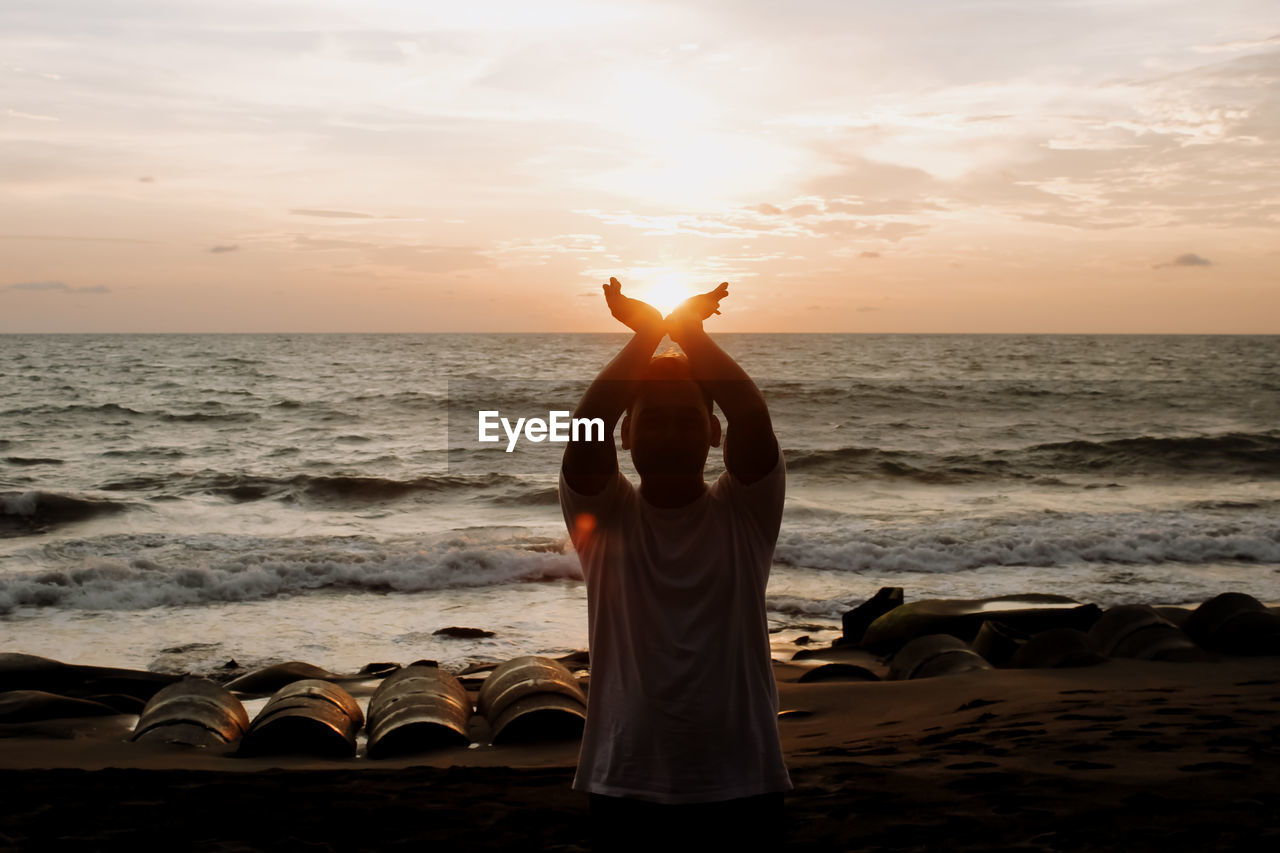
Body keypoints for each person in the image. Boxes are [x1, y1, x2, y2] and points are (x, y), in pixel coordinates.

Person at [558, 276, 790, 851]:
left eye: (687, 420)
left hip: (744, 779)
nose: (669, 433)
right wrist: (644, 336)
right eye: (651, 420)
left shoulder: (746, 511)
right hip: (625, 779)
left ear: (714, 434)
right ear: (626, 434)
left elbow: (751, 415)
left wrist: (688, 333)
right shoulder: (605, 516)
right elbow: (585, 434)